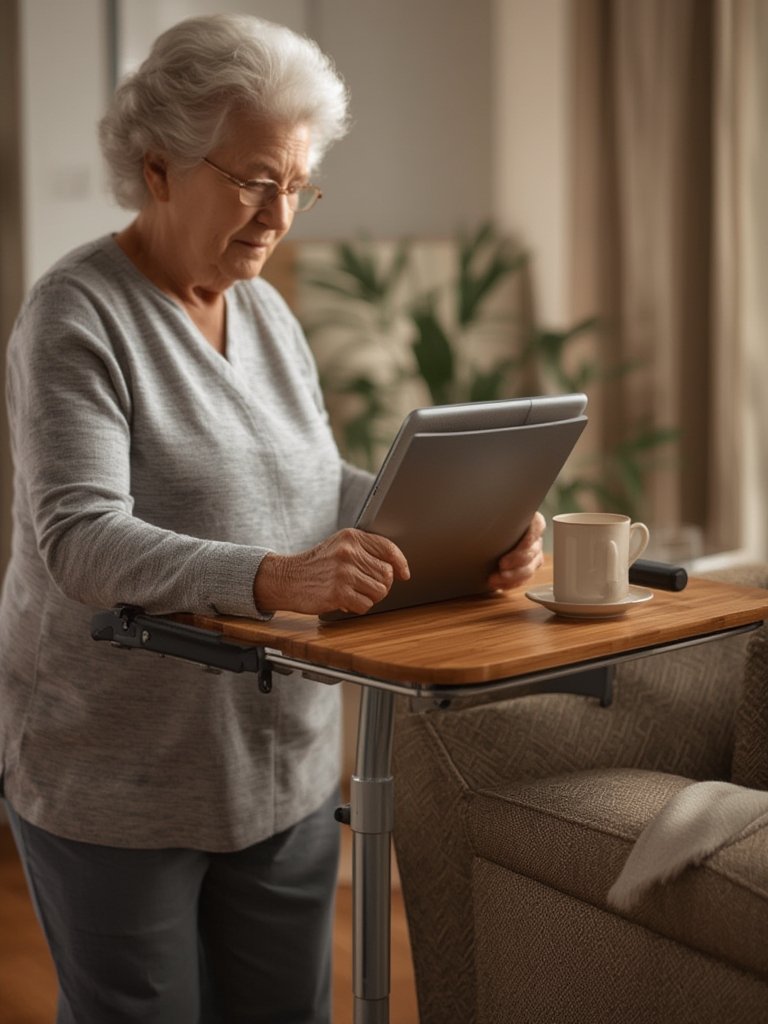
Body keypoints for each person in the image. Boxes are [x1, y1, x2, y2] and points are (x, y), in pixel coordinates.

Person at [0, 13, 545, 1023]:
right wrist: (276, 577)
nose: (279, 215)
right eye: (255, 180)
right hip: (120, 775)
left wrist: (465, 528)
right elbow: (78, 539)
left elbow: (309, 482)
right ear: (157, 168)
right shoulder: (77, 315)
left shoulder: (266, 311)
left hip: (278, 765)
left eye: (298, 184)